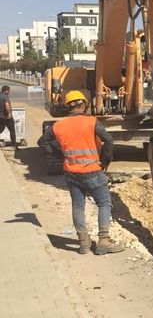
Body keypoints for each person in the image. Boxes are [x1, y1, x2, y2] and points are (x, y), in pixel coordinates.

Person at [38, 90, 124, 255]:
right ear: (83, 104)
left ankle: (83, 244)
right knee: (104, 204)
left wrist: (59, 154)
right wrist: (105, 161)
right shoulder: (91, 122)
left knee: (78, 206)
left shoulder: (59, 125)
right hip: (93, 171)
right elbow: (108, 140)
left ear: (68, 106)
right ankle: (104, 241)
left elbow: (42, 142)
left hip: (71, 172)